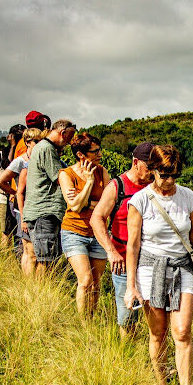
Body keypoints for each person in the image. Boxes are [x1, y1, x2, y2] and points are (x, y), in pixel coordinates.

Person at [124, 145, 193, 385]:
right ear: (152, 171)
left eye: (174, 175)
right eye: (163, 174)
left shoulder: (188, 197)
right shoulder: (140, 201)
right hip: (150, 270)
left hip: (182, 268)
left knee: (182, 332)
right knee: (158, 333)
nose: (169, 181)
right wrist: (131, 287)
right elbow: (133, 244)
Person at [90, 142, 155, 338]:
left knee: (156, 316)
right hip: (124, 259)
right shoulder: (117, 186)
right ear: (136, 162)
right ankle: (127, 358)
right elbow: (97, 218)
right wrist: (111, 252)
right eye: (149, 166)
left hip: (151, 259)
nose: (153, 171)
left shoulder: (155, 186)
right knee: (128, 317)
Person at [58, 133, 110, 315]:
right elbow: (74, 206)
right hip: (74, 232)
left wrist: (87, 203)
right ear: (81, 154)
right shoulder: (66, 175)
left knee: (96, 283)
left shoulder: (102, 172)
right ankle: (83, 325)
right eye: (95, 152)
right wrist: (88, 182)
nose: (100, 155)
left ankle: (91, 319)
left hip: (98, 233)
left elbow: (109, 203)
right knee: (85, 280)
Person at [24, 118, 76, 274]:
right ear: (62, 132)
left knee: (47, 259)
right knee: (46, 261)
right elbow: (58, 177)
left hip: (43, 212)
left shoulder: (44, 148)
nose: (69, 142)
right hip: (45, 212)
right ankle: (41, 294)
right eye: (69, 137)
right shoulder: (47, 149)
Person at [0, 127, 45, 274]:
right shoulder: (21, 161)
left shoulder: (42, 159)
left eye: (41, 141)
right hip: (23, 208)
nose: (39, 144)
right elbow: (0, 181)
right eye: (36, 141)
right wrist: (15, 192)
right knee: (28, 249)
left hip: (37, 207)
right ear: (28, 142)